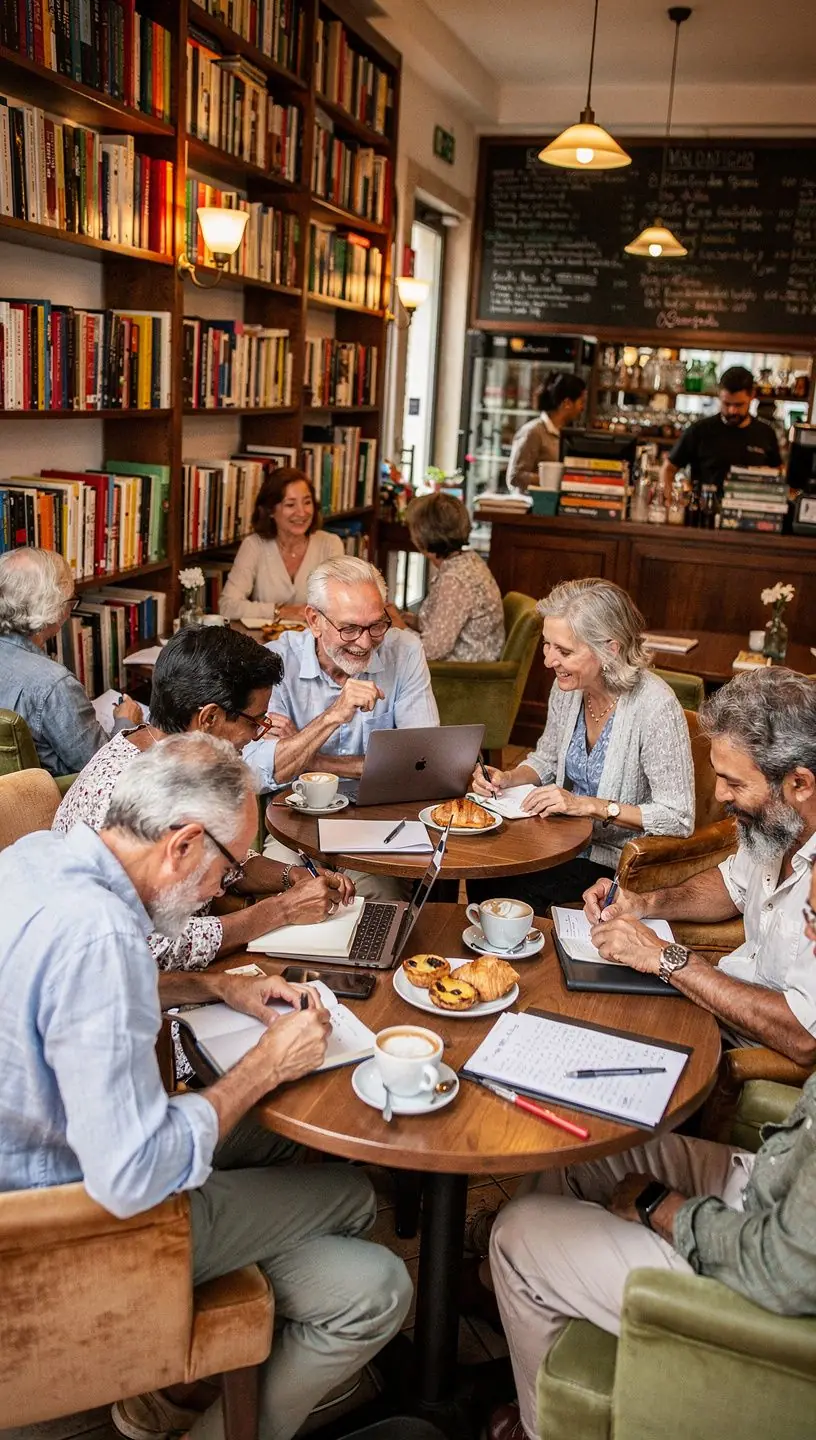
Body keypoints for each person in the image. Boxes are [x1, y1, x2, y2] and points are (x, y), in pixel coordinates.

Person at [0, 734, 412, 1440]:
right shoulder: (102, 938)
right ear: (184, 843)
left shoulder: (37, 859)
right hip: (72, 1229)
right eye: (230, 867)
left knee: (279, 1144)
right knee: (354, 1203)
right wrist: (265, 1066)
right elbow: (133, 1174)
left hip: (38, 1168)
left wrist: (215, 986)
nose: (226, 888)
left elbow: (73, 999)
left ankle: (178, 1381)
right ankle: (195, 1388)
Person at [485, 851, 816, 1440]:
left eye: (814, 919)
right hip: (772, 1186)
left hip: (759, 1288)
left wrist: (660, 1205)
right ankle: (527, 1315)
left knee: (513, 1232)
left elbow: (783, 1269)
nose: (808, 937)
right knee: (591, 1148)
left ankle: (542, 1425)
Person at [53, 624, 353, 972]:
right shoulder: (133, 796)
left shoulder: (162, 751)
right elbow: (152, 949)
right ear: (209, 717)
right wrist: (282, 909)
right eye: (255, 722)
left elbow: (216, 858)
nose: (257, 736)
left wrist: (292, 876)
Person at [583, 667, 816, 1067]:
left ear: (800, 784)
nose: (720, 794)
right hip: (714, 1011)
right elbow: (730, 886)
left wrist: (668, 958)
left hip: (752, 1053)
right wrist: (645, 903)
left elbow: (803, 1035)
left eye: (735, 783)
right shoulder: (778, 825)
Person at [470, 578, 693, 909]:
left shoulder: (655, 706)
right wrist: (508, 777)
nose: (548, 661)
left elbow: (678, 817)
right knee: (482, 867)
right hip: (565, 843)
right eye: (547, 645)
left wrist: (588, 805)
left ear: (610, 649)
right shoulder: (569, 688)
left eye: (564, 651)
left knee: (506, 887)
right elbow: (547, 759)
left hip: (620, 863)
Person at [243, 555, 439, 789]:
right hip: (295, 805)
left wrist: (309, 756)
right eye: (349, 629)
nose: (365, 643)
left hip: (380, 801)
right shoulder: (276, 661)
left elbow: (423, 760)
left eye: (376, 625)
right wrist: (333, 715)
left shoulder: (405, 651)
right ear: (315, 621)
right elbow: (255, 773)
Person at [0, 547, 142, 776]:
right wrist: (126, 723)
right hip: (55, 795)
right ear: (52, 608)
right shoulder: (53, 684)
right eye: (69, 601)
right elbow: (101, 770)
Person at [218, 467, 344, 620]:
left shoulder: (330, 545)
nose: (302, 512)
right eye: (290, 505)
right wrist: (280, 611)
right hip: (264, 635)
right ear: (270, 510)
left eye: (307, 502)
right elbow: (228, 606)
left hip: (316, 635)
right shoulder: (253, 545)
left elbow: (341, 606)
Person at [403, 491, 504, 662]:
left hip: (459, 673)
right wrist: (409, 620)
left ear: (422, 535)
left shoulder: (455, 580)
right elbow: (445, 623)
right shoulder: (468, 561)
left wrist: (398, 627)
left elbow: (431, 650)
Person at [661, 365, 782, 501]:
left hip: (751, 508)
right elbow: (668, 469)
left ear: (752, 396)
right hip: (705, 508)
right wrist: (667, 501)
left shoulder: (766, 433)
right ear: (719, 395)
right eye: (726, 404)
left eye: (739, 405)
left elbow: (778, 474)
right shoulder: (700, 430)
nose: (732, 411)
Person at [506, 372, 587, 492]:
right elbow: (515, 477)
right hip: (535, 502)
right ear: (567, 403)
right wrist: (551, 478)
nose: (582, 408)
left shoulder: (566, 434)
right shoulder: (533, 432)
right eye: (581, 402)